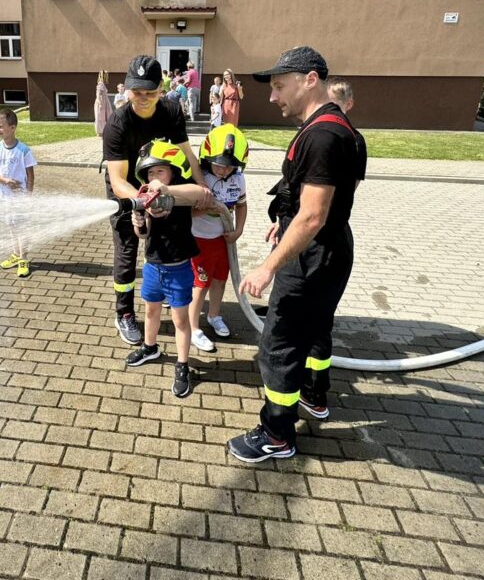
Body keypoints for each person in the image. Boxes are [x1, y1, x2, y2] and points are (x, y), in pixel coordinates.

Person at [228, 46, 360, 463]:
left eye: (279, 86)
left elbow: (314, 215)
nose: (272, 97)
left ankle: (277, 434)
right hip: (331, 248)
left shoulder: (321, 135)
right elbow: (324, 201)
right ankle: (315, 397)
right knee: (316, 329)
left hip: (311, 257)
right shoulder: (341, 128)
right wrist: (285, 220)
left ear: (310, 79)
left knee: (279, 344)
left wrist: (269, 265)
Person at [103, 55, 212, 345]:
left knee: (170, 237)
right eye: (136, 92)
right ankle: (124, 312)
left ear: (160, 91)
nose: (142, 98)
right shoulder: (117, 124)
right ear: (127, 90)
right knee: (127, 245)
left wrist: (201, 187)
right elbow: (117, 180)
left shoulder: (171, 111)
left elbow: (186, 151)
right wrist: (144, 199)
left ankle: (165, 289)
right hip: (129, 187)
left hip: (163, 183)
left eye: (150, 92)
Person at [125, 141, 207, 397]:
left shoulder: (181, 196)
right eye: (149, 173)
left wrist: (167, 188)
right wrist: (138, 222)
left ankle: (183, 365)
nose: (153, 177)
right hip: (152, 267)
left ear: (173, 172)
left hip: (179, 269)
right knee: (151, 311)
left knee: (180, 320)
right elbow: (143, 234)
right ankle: (151, 348)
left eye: (159, 171)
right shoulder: (148, 202)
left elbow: (201, 193)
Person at [188, 124, 249, 353]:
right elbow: (185, 213)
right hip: (198, 239)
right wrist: (202, 210)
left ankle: (214, 315)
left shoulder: (238, 180)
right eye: (219, 165)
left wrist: (239, 230)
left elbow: (242, 206)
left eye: (230, 167)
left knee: (220, 280)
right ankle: (193, 327)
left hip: (223, 240)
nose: (223, 171)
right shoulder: (200, 179)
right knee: (200, 284)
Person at [0, 108, 37, 278]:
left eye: (0, 126)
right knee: (11, 227)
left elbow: (30, 175)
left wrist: (28, 195)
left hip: (20, 199)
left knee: (21, 228)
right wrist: (5, 181)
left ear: (13, 127)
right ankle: (16, 255)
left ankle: (24, 259)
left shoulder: (24, 150)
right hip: (3, 199)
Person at [327, 77, 368, 184]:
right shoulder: (312, 130)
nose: (324, 109)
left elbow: (351, 186)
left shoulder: (355, 141)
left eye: (331, 105)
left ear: (348, 104)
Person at [94, 70, 113, 136]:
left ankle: (104, 130)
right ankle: (100, 132)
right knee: (101, 116)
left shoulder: (102, 84)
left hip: (104, 102)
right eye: (107, 75)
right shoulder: (101, 83)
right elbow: (98, 93)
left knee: (105, 116)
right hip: (102, 102)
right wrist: (100, 102)